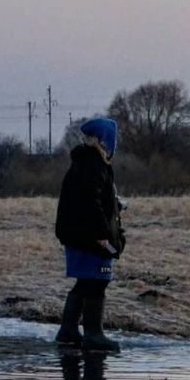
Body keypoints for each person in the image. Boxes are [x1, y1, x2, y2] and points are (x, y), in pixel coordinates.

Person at [54, 117, 125, 353]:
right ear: (105, 142)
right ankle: (93, 334)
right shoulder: (93, 165)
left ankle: (69, 329)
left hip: (77, 235)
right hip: (89, 237)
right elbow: (91, 203)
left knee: (85, 282)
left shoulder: (84, 163)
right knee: (97, 282)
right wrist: (103, 234)